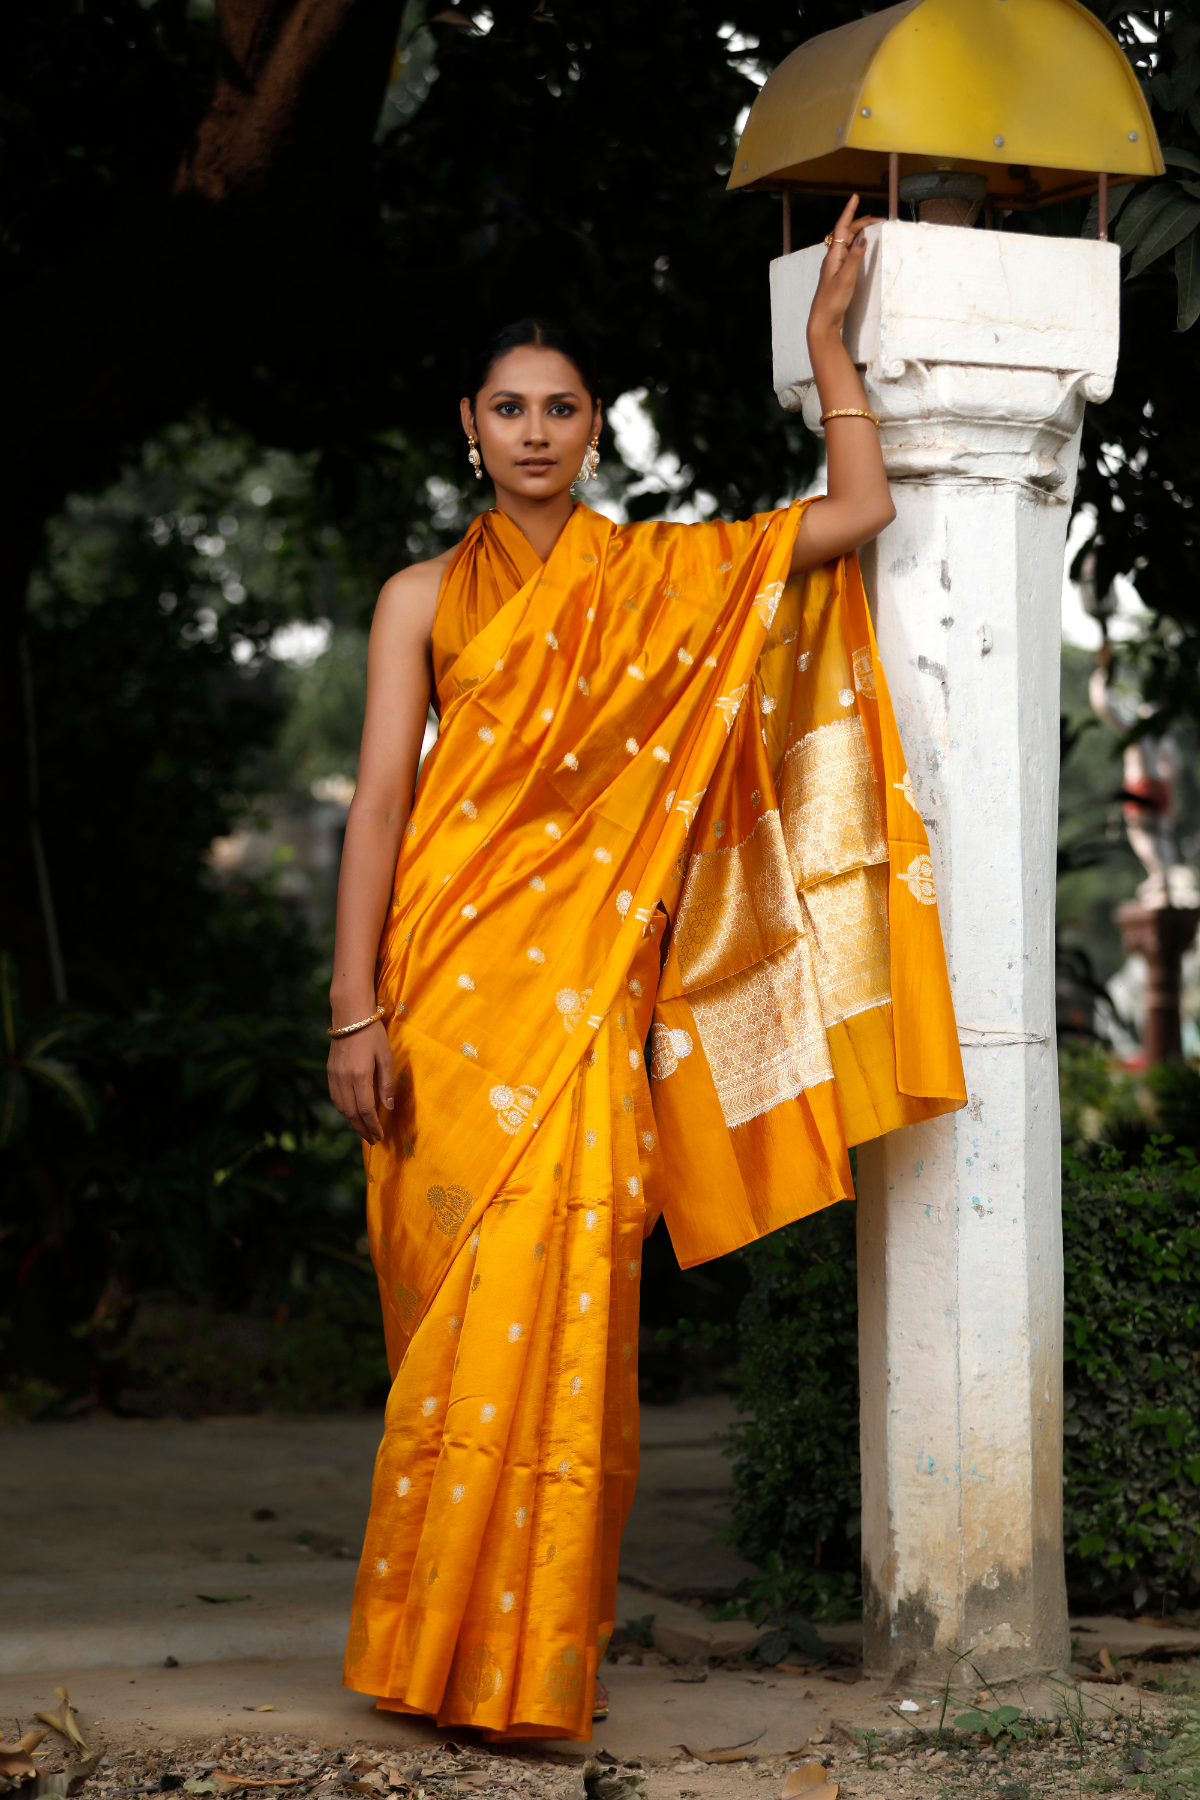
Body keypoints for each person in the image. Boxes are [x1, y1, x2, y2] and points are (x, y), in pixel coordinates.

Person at [327, 196, 965, 1741]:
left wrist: (830, 354)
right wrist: (354, 1009)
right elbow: (381, 808)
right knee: (454, 1323)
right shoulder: (421, 597)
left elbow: (856, 517)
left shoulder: (662, 579)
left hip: (590, 998)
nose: (534, 431)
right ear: (468, 428)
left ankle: (532, 1662)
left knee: (570, 1315)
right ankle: (426, 1651)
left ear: (594, 428)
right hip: (450, 992)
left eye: (559, 407)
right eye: (508, 408)